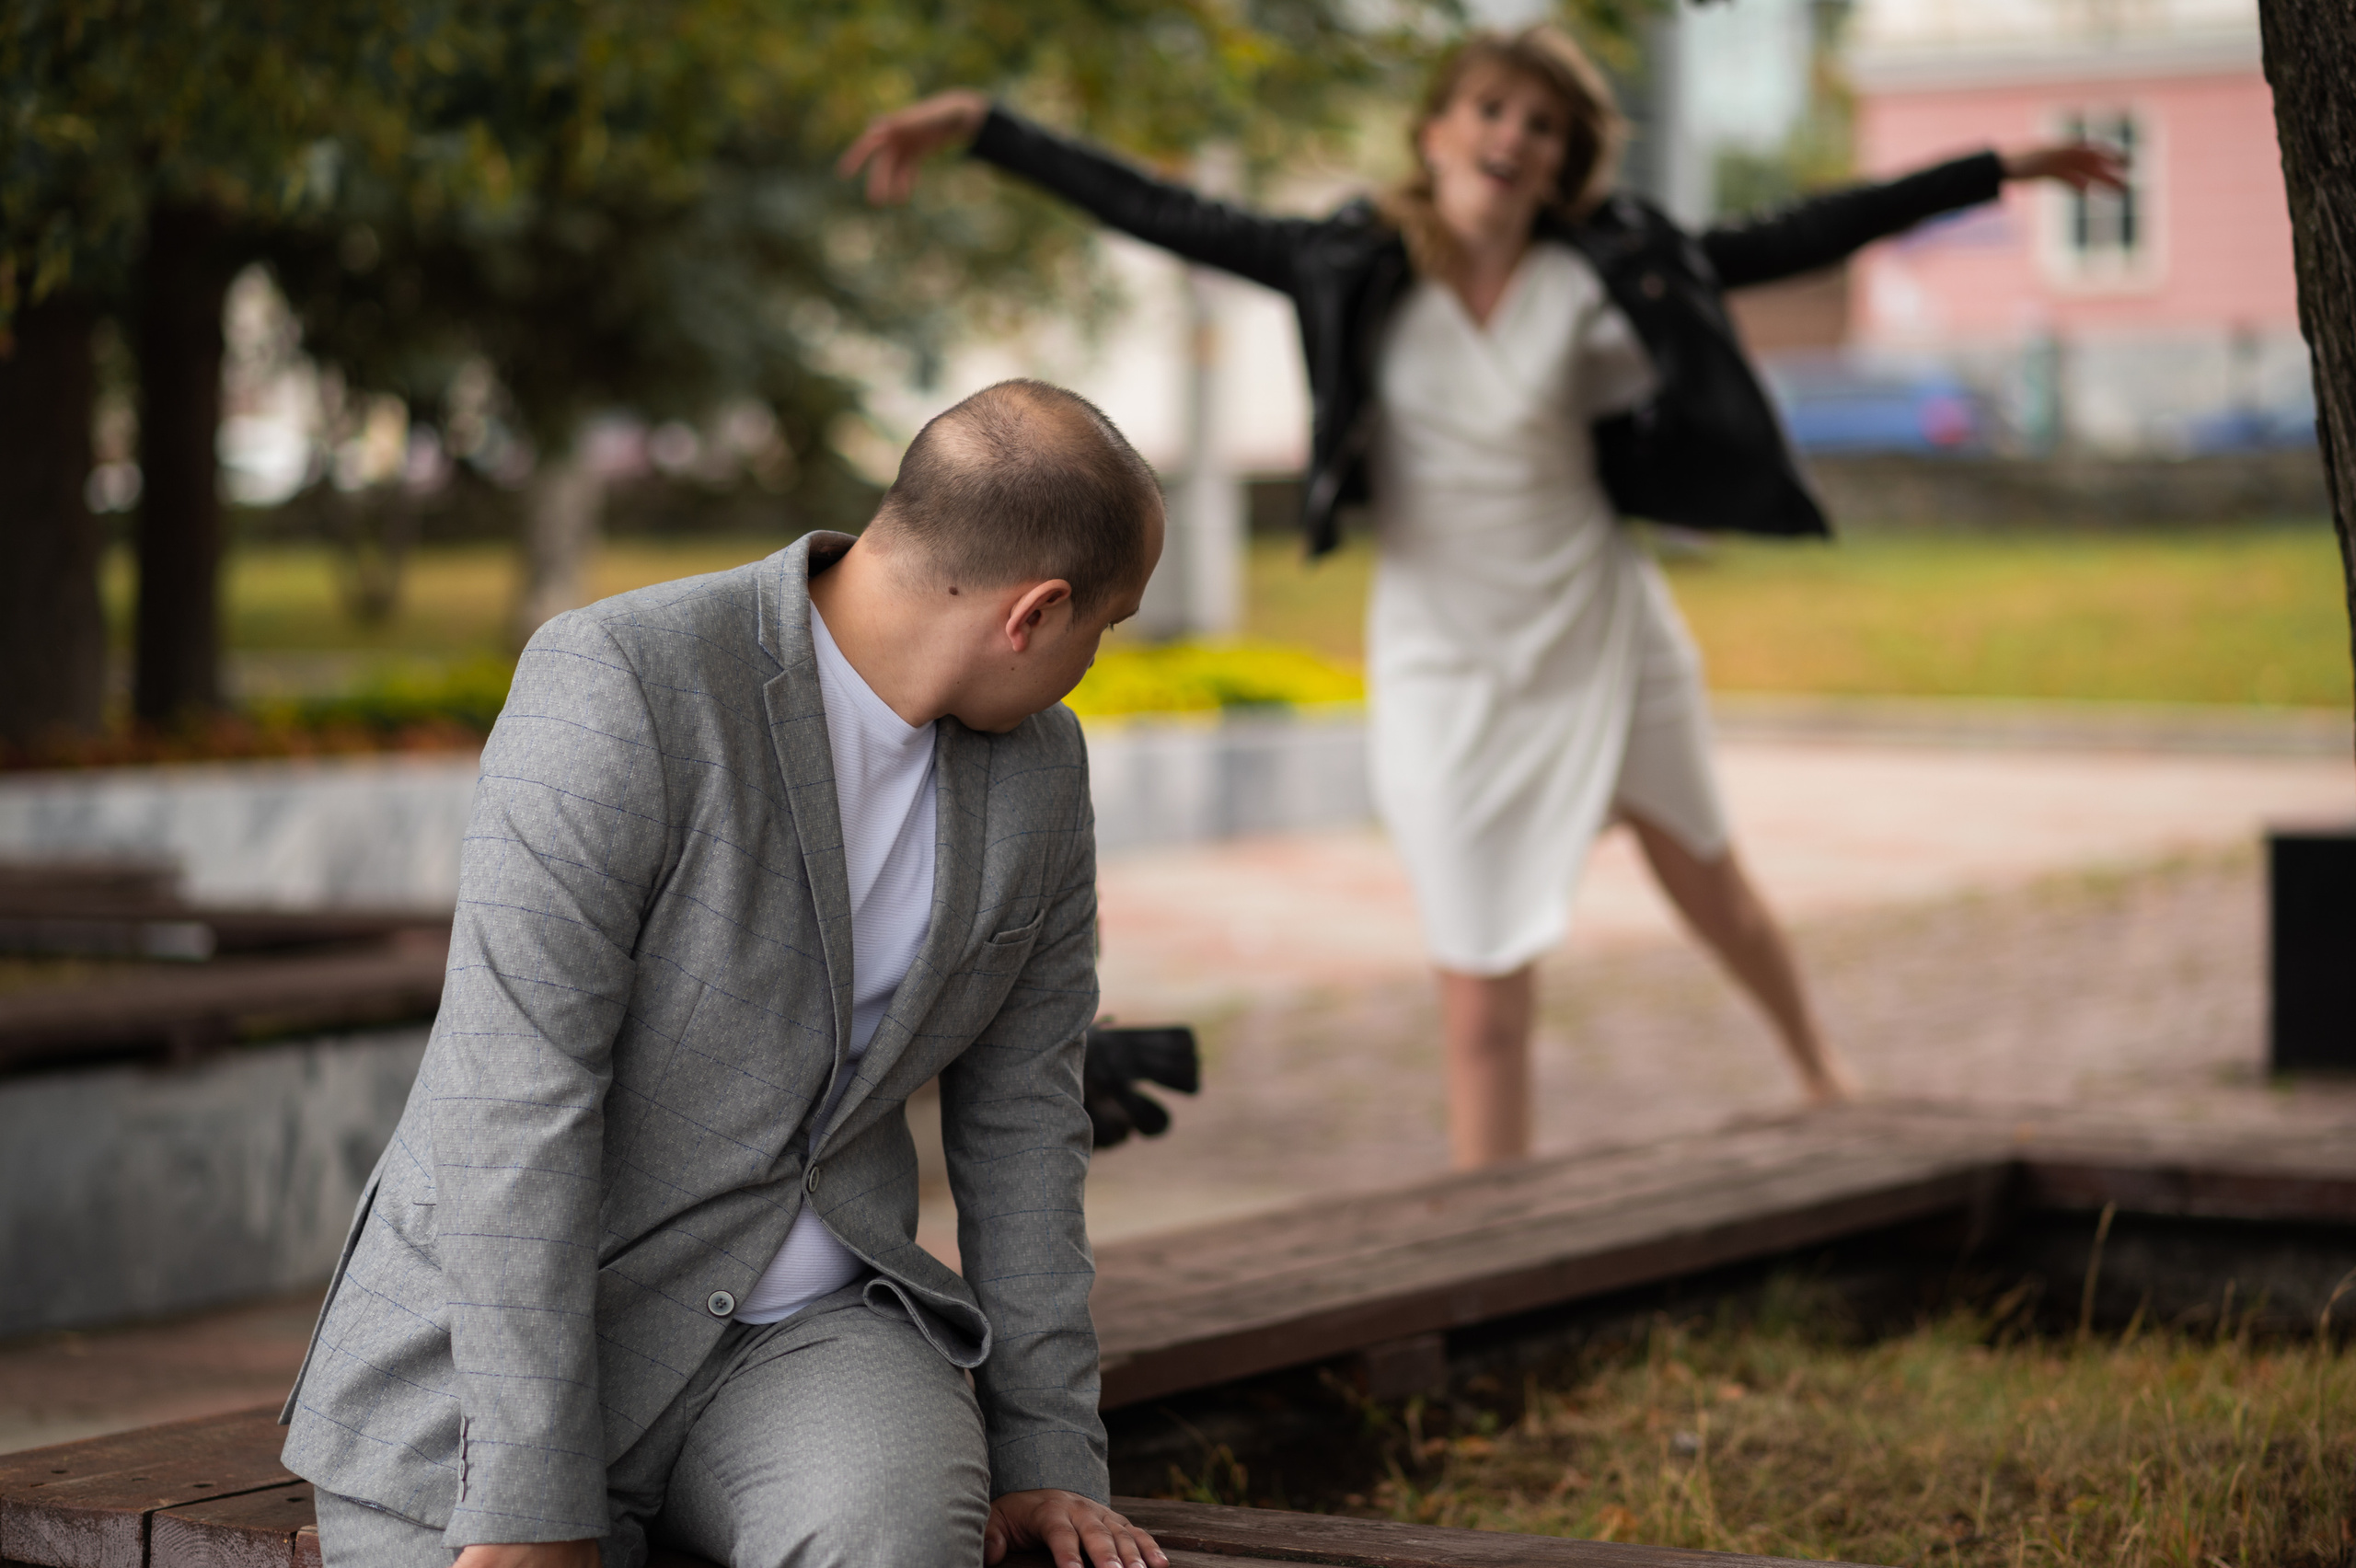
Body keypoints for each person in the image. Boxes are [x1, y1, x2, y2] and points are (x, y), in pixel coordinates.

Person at [842, 29, 2126, 1170]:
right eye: (1493, 108)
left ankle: (1823, 1075)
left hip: (1596, 627)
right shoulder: (1347, 261)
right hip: (1446, 657)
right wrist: (984, 130)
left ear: (1564, 158)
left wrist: (1994, 172)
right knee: (1480, 970)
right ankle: (1487, 1222)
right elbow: (1168, 212)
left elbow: (1791, 234)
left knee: (1709, 875)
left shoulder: (1609, 267)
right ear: (1439, 127)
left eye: (1545, 123)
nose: (1514, 136)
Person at [278, 379, 1172, 1568]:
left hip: (809, 1346)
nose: (1088, 668)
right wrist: (532, 1509)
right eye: (1100, 632)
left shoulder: (1042, 777)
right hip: (493, 1366)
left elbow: (1022, 1125)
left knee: (899, 1537)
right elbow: (515, 1103)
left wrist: (1052, 1451)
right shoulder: (617, 687)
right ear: (1034, 614)